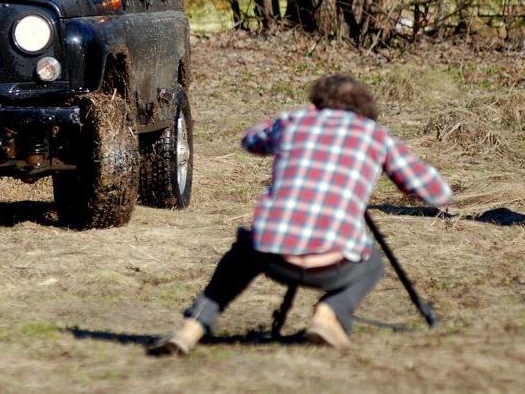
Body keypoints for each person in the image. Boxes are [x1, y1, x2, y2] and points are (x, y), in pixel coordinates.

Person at [149, 74, 453, 356]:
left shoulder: (294, 121)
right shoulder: (375, 135)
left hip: (271, 255)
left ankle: (194, 325)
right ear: (366, 111)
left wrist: (289, 122)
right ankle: (329, 313)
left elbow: (250, 140)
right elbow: (439, 194)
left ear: (317, 102)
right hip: (333, 264)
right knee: (372, 262)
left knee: (243, 249)